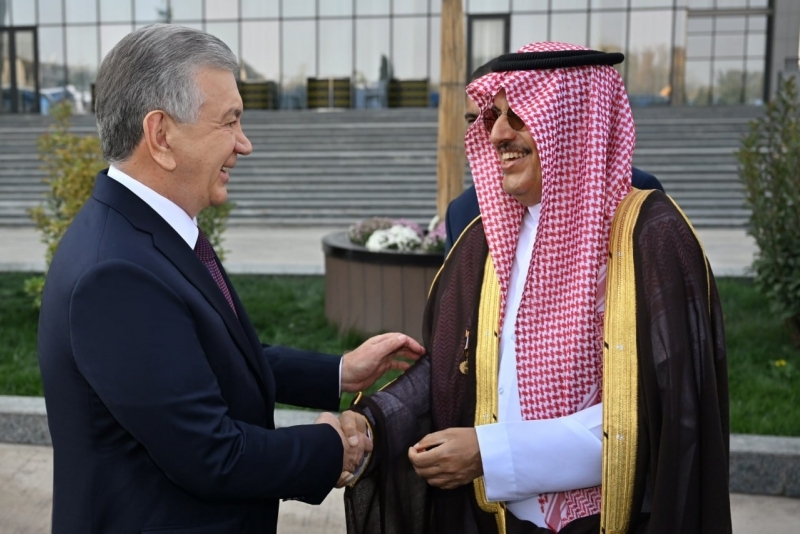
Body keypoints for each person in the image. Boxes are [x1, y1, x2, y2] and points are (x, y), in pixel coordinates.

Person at [37, 24, 424, 534]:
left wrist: (339, 372)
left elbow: (208, 357)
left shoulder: (147, 231)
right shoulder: (115, 274)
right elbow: (209, 454)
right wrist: (334, 448)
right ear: (161, 135)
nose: (245, 144)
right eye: (230, 121)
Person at [342, 43, 730, 534]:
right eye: (493, 117)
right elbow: (452, 372)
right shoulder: (483, 239)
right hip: (501, 519)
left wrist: (493, 453)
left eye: (518, 116)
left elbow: (664, 411)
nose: (497, 133)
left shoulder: (650, 236)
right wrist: (370, 425)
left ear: (573, 120)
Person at [445, 60, 664, 256]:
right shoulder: (464, 214)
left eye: (516, 115)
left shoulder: (636, 199)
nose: (493, 135)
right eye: (480, 120)